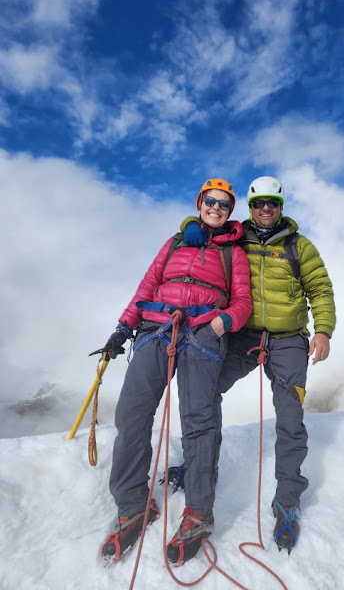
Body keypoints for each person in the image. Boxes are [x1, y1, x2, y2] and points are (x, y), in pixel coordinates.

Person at [173, 175, 336, 554]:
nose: (266, 209)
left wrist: (323, 331)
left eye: (272, 204)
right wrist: (189, 227)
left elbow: (320, 288)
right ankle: (201, 467)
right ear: (250, 207)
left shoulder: (299, 245)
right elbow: (203, 227)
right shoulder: (236, 236)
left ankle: (288, 499)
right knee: (205, 392)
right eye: (259, 203)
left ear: (281, 207)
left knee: (290, 415)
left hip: (288, 339)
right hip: (243, 335)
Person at [98, 178, 252, 565]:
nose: (216, 207)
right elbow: (147, 287)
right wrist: (122, 327)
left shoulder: (235, 252)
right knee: (131, 414)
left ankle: (199, 514)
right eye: (211, 201)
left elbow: (244, 302)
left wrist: (223, 322)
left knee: (199, 420)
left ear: (230, 211)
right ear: (200, 203)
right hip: (156, 329)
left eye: (224, 204)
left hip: (203, 332)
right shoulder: (173, 243)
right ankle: (133, 505)